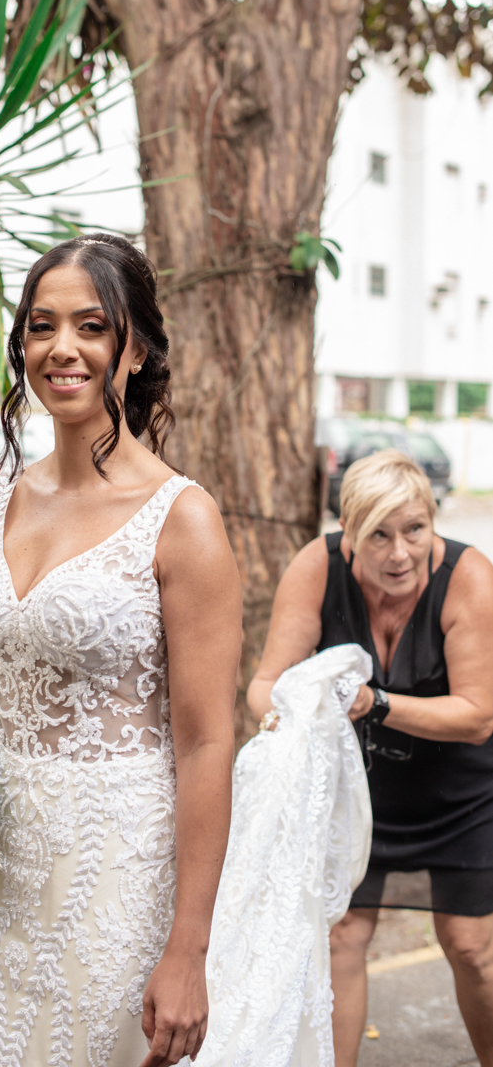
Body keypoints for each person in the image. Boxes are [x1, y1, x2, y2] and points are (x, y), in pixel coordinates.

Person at [0, 234, 241, 1067]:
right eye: (40, 326)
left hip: (113, 872)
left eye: (90, 326)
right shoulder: (0, 498)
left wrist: (188, 948)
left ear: (132, 348)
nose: (60, 348)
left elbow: (209, 742)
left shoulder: (183, 518)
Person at [247, 448, 493, 1067]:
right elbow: (264, 685)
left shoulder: (469, 578)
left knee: (471, 948)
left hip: (461, 795)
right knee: (342, 938)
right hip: (357, 794)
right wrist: (285, 717)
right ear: (348, 535)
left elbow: (478, 715)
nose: (400, 553)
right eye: (378, 535)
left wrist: (374, 702)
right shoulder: (317, 568)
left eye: (414, 529)